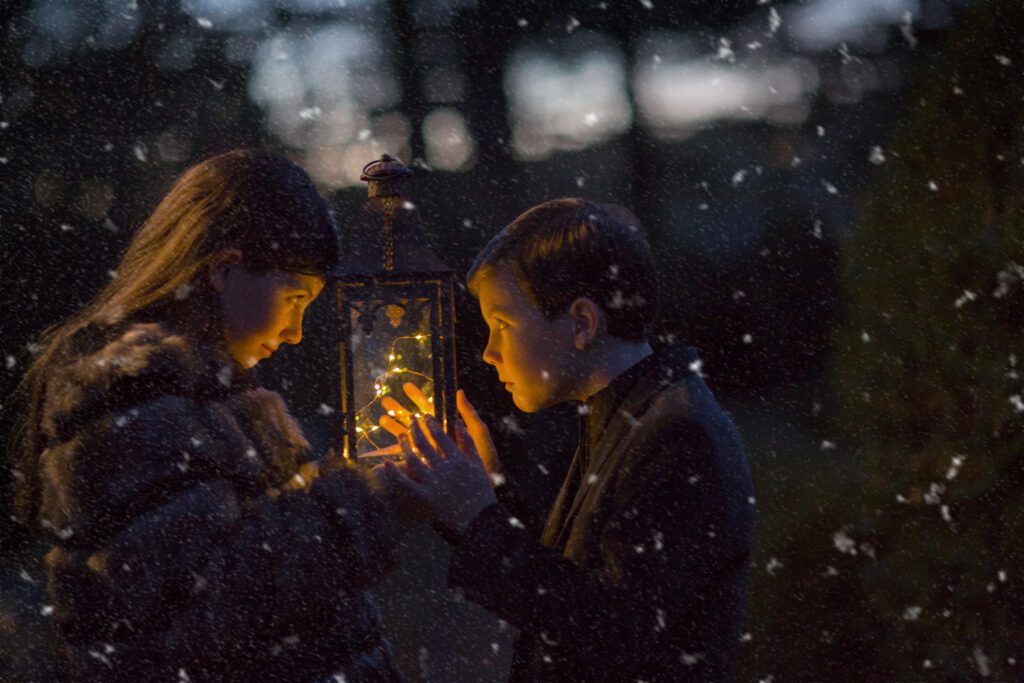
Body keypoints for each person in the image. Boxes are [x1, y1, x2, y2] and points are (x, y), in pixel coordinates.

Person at [9, 149, 404, 682]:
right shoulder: (132, 399)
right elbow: (209, 602)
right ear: (224, 268)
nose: (296, 331)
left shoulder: (203, 400)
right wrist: (367, 501)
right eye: (294, 298)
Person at [380, 198, 755, 682]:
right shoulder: (631, 413)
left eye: (504, 323)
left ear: (582, 322)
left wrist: (480, 518)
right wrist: (486, 495)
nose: (491, 352)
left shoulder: (677, 433)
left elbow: (612, 633)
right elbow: (579, 583)